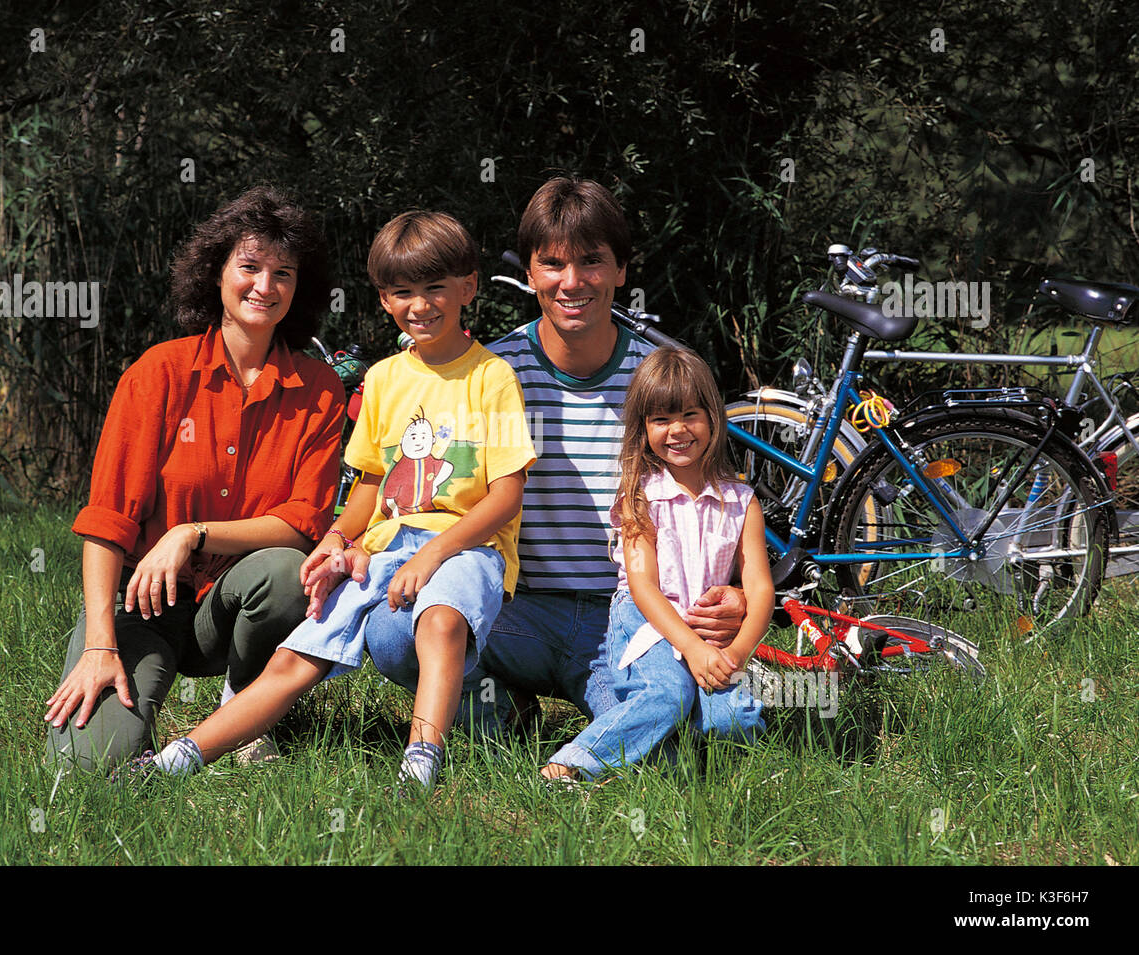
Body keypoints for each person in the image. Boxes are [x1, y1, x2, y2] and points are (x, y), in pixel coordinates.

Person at [129, 211, 536, 791]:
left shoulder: (491, 377)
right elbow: (369, 487)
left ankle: (422, 761)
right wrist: (335, 541)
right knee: (299, 655)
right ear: (384, 301)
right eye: (403, 292)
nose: (420, 305)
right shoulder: (387, 380)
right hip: (382, 548)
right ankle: (184, 755)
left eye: (435, 288)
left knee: (442, 622)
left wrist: (433, 555)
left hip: (466, 546)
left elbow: (505, 498)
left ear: (469, 288)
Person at [366, 177, 748, 746]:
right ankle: (501, 714)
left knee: (709, 733)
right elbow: (430, 496)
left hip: (630, 615)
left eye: (592, 262)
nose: (573, 282)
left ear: (622, 269)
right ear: (529, 274)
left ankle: (601, 726)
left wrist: (736, 590)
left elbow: (713, 502)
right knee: (398, 633)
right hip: (512, 611)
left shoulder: (663, 376)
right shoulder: (488, 372)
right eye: (552, 264)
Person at [43, 184, 345, 772]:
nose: (265, 285)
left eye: (283, 273)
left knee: (287, 575)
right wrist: (101, 644)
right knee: (88, 768)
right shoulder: (158, 373)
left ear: (299, 288)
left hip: (236, 606)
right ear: (215, 272)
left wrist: (192, 533)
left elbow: (304, 522)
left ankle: (247, 713)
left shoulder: (319, 389)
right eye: (250, 266)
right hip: (141, 602)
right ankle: (125, 685)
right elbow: (107, 520)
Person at [543, 347, 771, 780]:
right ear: (643, 429)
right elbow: (643, 585)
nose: (678, 430)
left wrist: (736, 654)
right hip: (646, 624)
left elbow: (759, 587)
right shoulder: (640, 497)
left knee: (734, 722)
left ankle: (665, 749)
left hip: (708, 629)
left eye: (690, 414)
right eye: (661, 420)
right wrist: (690, 647)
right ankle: (573, 764)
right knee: (667, 694)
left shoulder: (743, 502)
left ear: (713, 418)